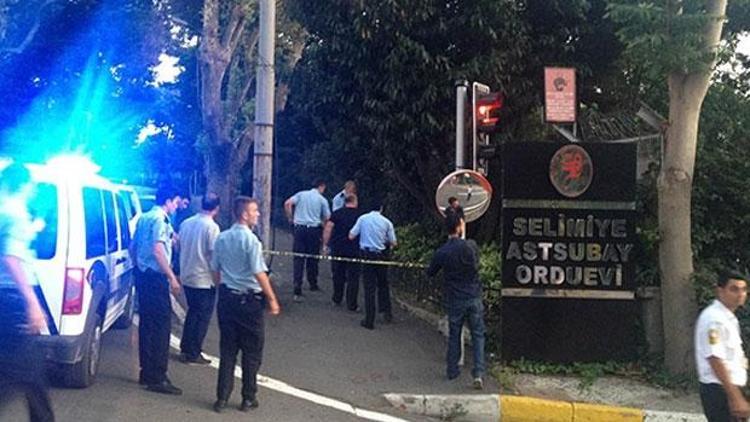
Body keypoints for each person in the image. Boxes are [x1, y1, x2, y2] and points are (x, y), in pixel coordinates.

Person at [211, 196, 281, 413]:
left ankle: (222, 397)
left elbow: (215, 269)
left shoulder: (221, 238)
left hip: (227, 298)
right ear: (244, 214)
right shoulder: (251, 241)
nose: (258, 214)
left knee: (228, 349)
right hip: (249, 302)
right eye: (254, 210)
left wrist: (221, 287)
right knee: (252, 351)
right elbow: (259, 273)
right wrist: (272, 299)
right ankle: (248, 397)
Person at [0, 163, 55, 421]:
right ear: (22, 185)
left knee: (21, 370)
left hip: (5, 298)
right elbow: (11, 258)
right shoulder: (15, 211)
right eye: (31, 185)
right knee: (27, 371)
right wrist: (32, 303)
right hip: (12, 299)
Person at [130, 185, 183, 395]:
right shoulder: (161, 220)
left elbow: (133, 247)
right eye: (176, 202)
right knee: (161, 326)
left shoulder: (143, 218)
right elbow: (158, 249)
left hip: (143, 275)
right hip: (156, 277)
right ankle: (158, 377)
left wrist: (138, 266)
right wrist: (171, 277)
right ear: (168, 201)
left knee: (146, 324)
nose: (176, 206)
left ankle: (146, 371)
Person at [426, 213, 486, 390]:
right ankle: (478, 373)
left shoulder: (442, 252)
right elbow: (477, 265)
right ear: (460, 227)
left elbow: (430, 272)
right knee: (478, 334)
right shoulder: (471, 247)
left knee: (454, 333)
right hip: (474, 295)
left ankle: (452, 370)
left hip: (454, 298)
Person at [695, 271, 750, 422]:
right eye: (734, 289)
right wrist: (735, 397)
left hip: (730, 388)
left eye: (743, 289)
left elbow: (733, 357)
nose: (740, 294)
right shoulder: (715, 320)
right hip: (720, 390)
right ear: (720, 291)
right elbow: (715, 359)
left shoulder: (728, 318)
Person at [178, 193, 221, 365]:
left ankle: (186, 347)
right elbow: (213, 255)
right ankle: (194, 352)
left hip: (187, 273)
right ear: (217, 208)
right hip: (204, 278)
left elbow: (179, 245)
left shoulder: (186, 223)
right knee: (202, 317)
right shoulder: (212, 227)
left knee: (192, 313)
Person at [349, 199, 397, 330]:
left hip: (366, 255)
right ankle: (386, 312)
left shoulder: (362, 219)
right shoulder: (387, 222)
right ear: (381, 208)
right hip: (381, 255)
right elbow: (394, 242)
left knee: (369, 287)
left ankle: (369, 319)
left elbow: (351, 235)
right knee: (383, 284)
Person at [284, 179, 331, 302]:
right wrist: (323, 225)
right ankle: (312, 283)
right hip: (313, 231)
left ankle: (297, 285)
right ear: (322, 186)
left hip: (299, 229)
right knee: (313, 257)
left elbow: (287, 203)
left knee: (298, 258)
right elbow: (327, 217)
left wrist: (291, 218)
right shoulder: (322, 200)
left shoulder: (301, 194)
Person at [322, 193, 363, 311]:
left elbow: (328, 228)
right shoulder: (360, 215)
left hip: (338, 248)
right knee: (353, 278)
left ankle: (337, 298)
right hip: (354, 249)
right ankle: (352, 304)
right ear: (355, 201)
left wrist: (325, 244)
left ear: (345, 201)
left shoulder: (337, 213)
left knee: (337, 275)